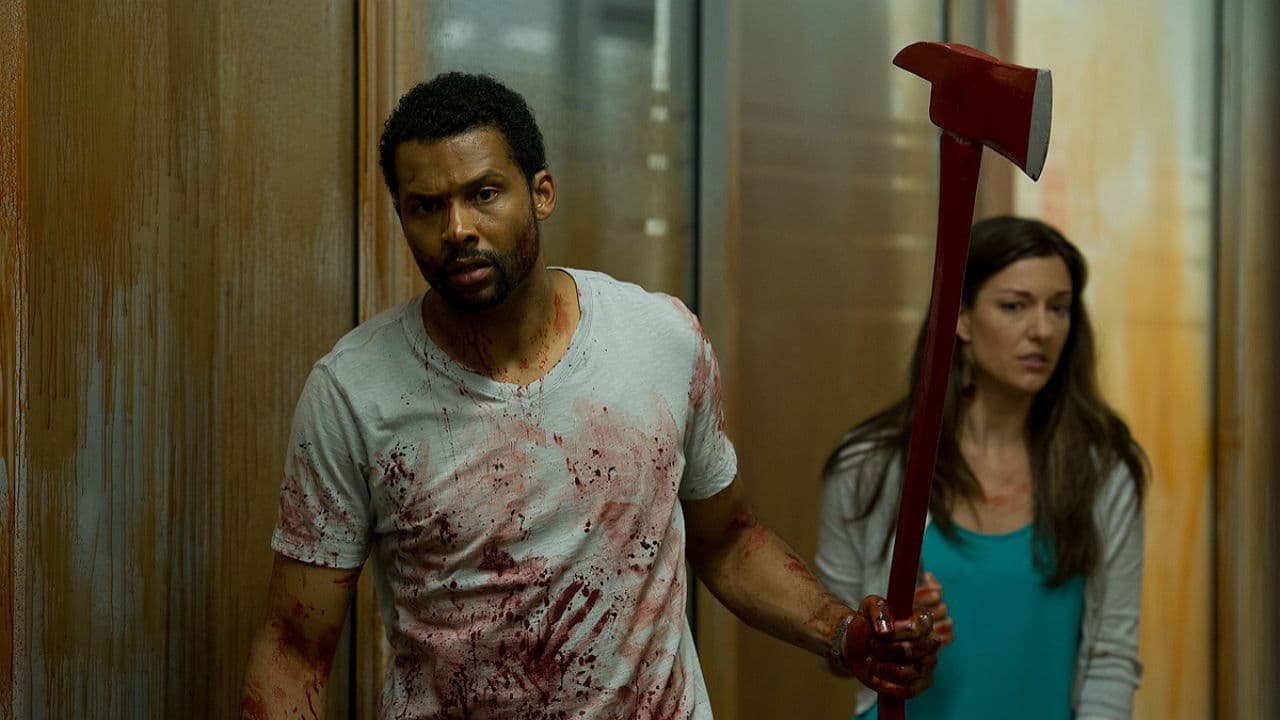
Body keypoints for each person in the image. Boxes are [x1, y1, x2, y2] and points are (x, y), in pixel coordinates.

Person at [240, 72, 939, 719]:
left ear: (540, 193)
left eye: (484, 194)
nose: (457, 230)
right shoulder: (354, 392)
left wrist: (840, 631)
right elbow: (295, 648)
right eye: (427, 207)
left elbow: (727, 541)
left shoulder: (659, 340)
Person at [816, 216, 1148, 720]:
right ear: (962, 318)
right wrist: (889, 634)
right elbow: (835, 647)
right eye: (1014, 306)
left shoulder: (1103, 471)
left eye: (1059, 308)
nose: (1042, 330)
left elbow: (1111, 660)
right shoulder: (872, 465)